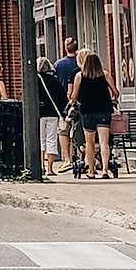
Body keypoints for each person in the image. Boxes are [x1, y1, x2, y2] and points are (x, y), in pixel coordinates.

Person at [72, 51, 116, 178]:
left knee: (89, 143)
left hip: (87, 112)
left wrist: (73, 99)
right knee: (104, 142)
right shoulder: (105, 74)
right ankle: (105, 170)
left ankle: (91, 171)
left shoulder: (80, 76)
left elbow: (74, 96)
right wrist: (113, 98)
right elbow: (115, 92)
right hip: (104, 111)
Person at [51, 36, 82, 170]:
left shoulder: (58, 64)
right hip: (82, 101)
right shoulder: (80, 63)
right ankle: (82, 157)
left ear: (65, 47)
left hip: (64, 103)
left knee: (63, 131)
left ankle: (67, 158)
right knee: (81, 130)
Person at [35, 55, 69, 176]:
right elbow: (63, 98)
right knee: (51, 140)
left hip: (38, 114)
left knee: (40, 140)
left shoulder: (34, 81)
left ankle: (40, 166)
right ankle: (49, 168)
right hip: (53, 114)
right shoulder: (54, 80)